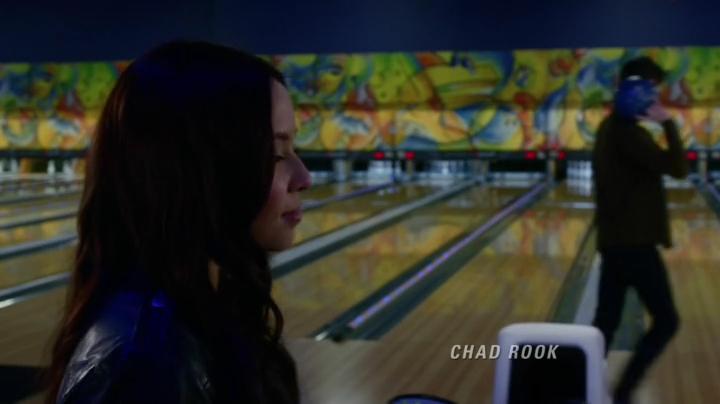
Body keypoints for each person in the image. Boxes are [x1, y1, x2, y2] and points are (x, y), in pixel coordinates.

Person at [43, 40, 311, 403]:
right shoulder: (149, 367)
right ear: (202, 171)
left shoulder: (196, 317)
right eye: (277, 153)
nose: (304, 177)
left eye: (295, 149)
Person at [592, 56, 687, 403]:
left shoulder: (611, 128)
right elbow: (677, 167)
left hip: (615, 241)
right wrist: (668, 123)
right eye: (653, 91)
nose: (655, 99)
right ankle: (624, 390)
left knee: (605, 324)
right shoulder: (628, 134)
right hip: (634, 245)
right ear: (639, 90)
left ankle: (572, 387)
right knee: (666, 321)